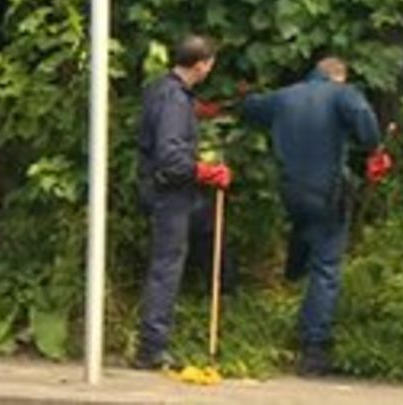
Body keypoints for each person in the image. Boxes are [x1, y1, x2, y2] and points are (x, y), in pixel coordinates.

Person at [240, 56, 388, 376]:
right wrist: (374, 146)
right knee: (327, 267)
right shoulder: (342, 93)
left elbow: (250, 108)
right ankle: (314, 348)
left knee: (306, 231)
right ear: (338, 76)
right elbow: (364, 119)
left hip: (291, 191)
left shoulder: (285, 96)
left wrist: (243, 93)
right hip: (327, 192)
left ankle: (293, 274)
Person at [134, 34, 232, 369]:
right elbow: (171, 156)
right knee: (167, 265)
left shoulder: (163, 89)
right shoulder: (175, 99)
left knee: (191, 244)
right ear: (202, 65)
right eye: (211, 64)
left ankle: (157, 340)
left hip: (163, 189)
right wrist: (205, 171)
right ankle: (152, 347)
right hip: (169, 192)